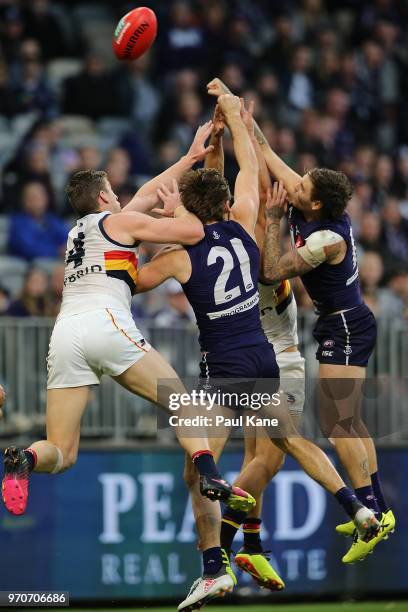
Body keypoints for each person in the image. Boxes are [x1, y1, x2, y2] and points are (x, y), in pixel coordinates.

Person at [135, 94, 380, 611]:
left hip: (225, 369)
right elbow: (244, 177)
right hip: (265, 360)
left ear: (187, 212)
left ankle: (215, 563)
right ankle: (354, 507)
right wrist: (233, 128)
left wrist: (137, 224)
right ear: (225, 205)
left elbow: (133, 277)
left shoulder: (180, 255)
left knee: (200, 462)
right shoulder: (246, 225)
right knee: (287, 444)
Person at [2, 124, 255, 538]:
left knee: (62, 453)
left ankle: (24, 460)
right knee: (182, 402)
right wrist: (178, 208)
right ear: (104, 197)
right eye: (114, 193)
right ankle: (210, 475)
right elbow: (193, 232)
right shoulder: (120, 223)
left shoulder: (78, 232)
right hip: (107, 322)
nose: (121, 198)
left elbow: (145, 194)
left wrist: (190, 158)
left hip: (65, 334)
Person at [207, 76, 396, 564]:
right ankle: (377, 507)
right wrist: (244, 120)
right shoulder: (313, 202)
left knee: (339, 423)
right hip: (337, 323)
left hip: (346, 322)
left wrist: (271, 222)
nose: (292, 185)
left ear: (315, 205)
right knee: (340, 423)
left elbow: (271, 268)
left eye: (302, 187)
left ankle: (370, 511)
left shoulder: (323, 240)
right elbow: (269, 156)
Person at [203, 100, 305, 589]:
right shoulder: (259, 263)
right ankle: (224, 551)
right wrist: (274, 217)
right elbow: (273, 264)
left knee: (254, 459)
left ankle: (253, 546)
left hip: (240, 356)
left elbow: (216, 193)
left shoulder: (221, 241)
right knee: (271, 459)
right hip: (274, 363)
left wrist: (220, 139)